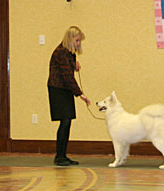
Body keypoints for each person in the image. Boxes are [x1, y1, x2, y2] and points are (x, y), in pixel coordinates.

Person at [47, 26, 91, 166]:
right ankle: (59, 157)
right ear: (70, 39)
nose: (79, 44)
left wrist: (74, 65)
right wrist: (80, 94)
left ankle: (62, 155)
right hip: (58, 89)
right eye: (77, 40)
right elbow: (67, 77)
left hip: (64, 89)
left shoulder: (68, 52)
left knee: (67, 122)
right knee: (65, 122)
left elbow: (67, 69)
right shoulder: (61, 52)